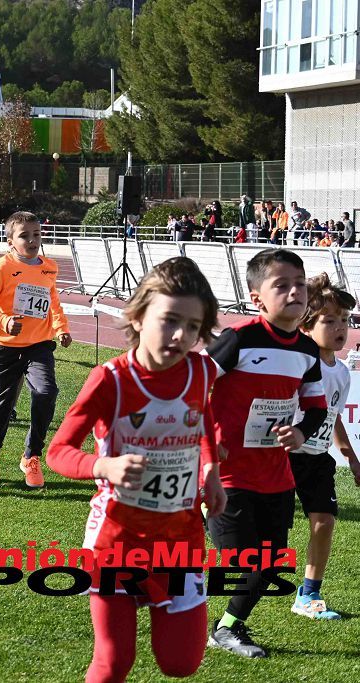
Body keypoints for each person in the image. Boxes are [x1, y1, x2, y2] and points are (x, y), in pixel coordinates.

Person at [47, 257, 226, 683]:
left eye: (194, 326)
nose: (181, 336)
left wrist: (211, 470)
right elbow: (58, 451)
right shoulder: (110, 379)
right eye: (169, 321)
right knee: (113, 663)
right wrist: (103, 465)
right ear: (138, 316)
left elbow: (203, 421)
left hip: (180, 538)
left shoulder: (201, 371)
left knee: (180, 664)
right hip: (116, 539)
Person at [204, 249, 327, 658]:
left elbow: (316, 407)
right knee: (240, 556)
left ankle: (228, 628)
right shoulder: (238, 339)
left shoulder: (308, 352)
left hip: (276, 474)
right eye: (282, 285)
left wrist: (300, 432)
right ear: (257, 297)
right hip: (229, 473)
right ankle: (197, 513)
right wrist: (206, 441)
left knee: (272, 562)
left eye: (300, 284)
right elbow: (191, 386)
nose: (295, 291)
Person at [0, 211, 71, 487]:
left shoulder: (49, 267)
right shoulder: (2, 267)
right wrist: (4, 321)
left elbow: (53, 302)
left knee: (46, 391)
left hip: (39, 345)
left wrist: (61, 327)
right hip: (5, 346)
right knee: (1, 405)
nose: (32, 241)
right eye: (24, 236)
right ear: (10, 241)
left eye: (36, 235)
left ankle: (32, 455)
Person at [287, 274, 360, 620]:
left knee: (324, 521)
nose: (339, 328)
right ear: (306, 326)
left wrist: (351, 457)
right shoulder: (298, 364)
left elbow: (333, 418)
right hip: (282, 457)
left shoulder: (343, 373)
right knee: (264, 531)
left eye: (344, 321)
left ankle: (309, 595)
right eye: (329, 320)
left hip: (317, 460)